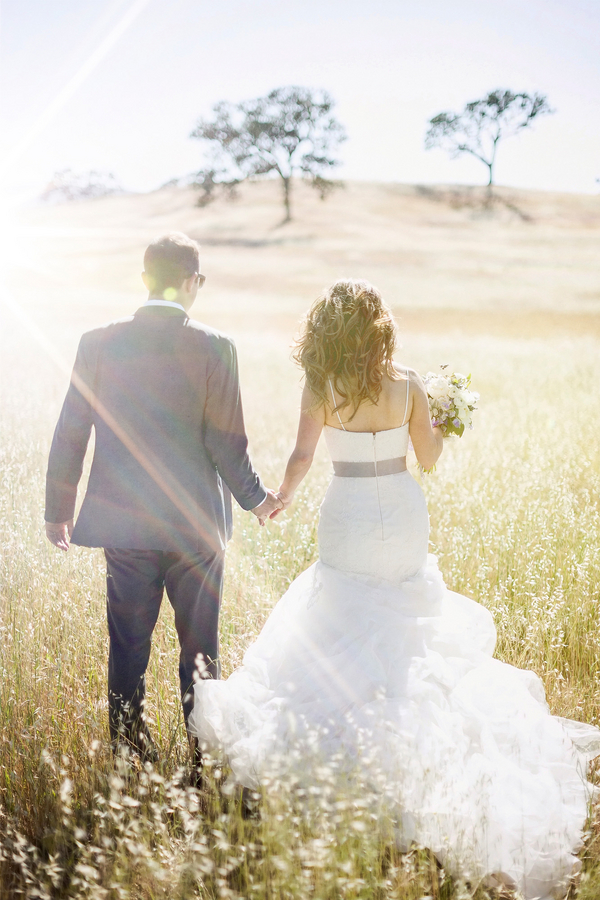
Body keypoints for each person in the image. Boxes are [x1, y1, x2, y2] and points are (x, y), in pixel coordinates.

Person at [188, 279, 600, 899]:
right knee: (405, 623)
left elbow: (302, 458)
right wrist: (445, 422)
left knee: (344, 615)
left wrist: (278, 500)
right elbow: (428, 459)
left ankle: (347, 759)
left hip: (347, 513)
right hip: (402, 515)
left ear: (327, 330)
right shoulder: (407, 385)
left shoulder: (320, 385)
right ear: (380, 327)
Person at [45, 232, 281, 764]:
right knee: (201, 653)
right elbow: (227, 443)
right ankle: (203, 758)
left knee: (127, 647)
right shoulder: (216, 346)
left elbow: (70, 431)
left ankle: (128, 758)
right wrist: (257, 499)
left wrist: (57, 511)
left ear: (144, 278)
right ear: (192, 282)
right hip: (197, 529)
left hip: (125, 530)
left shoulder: (97, 342)